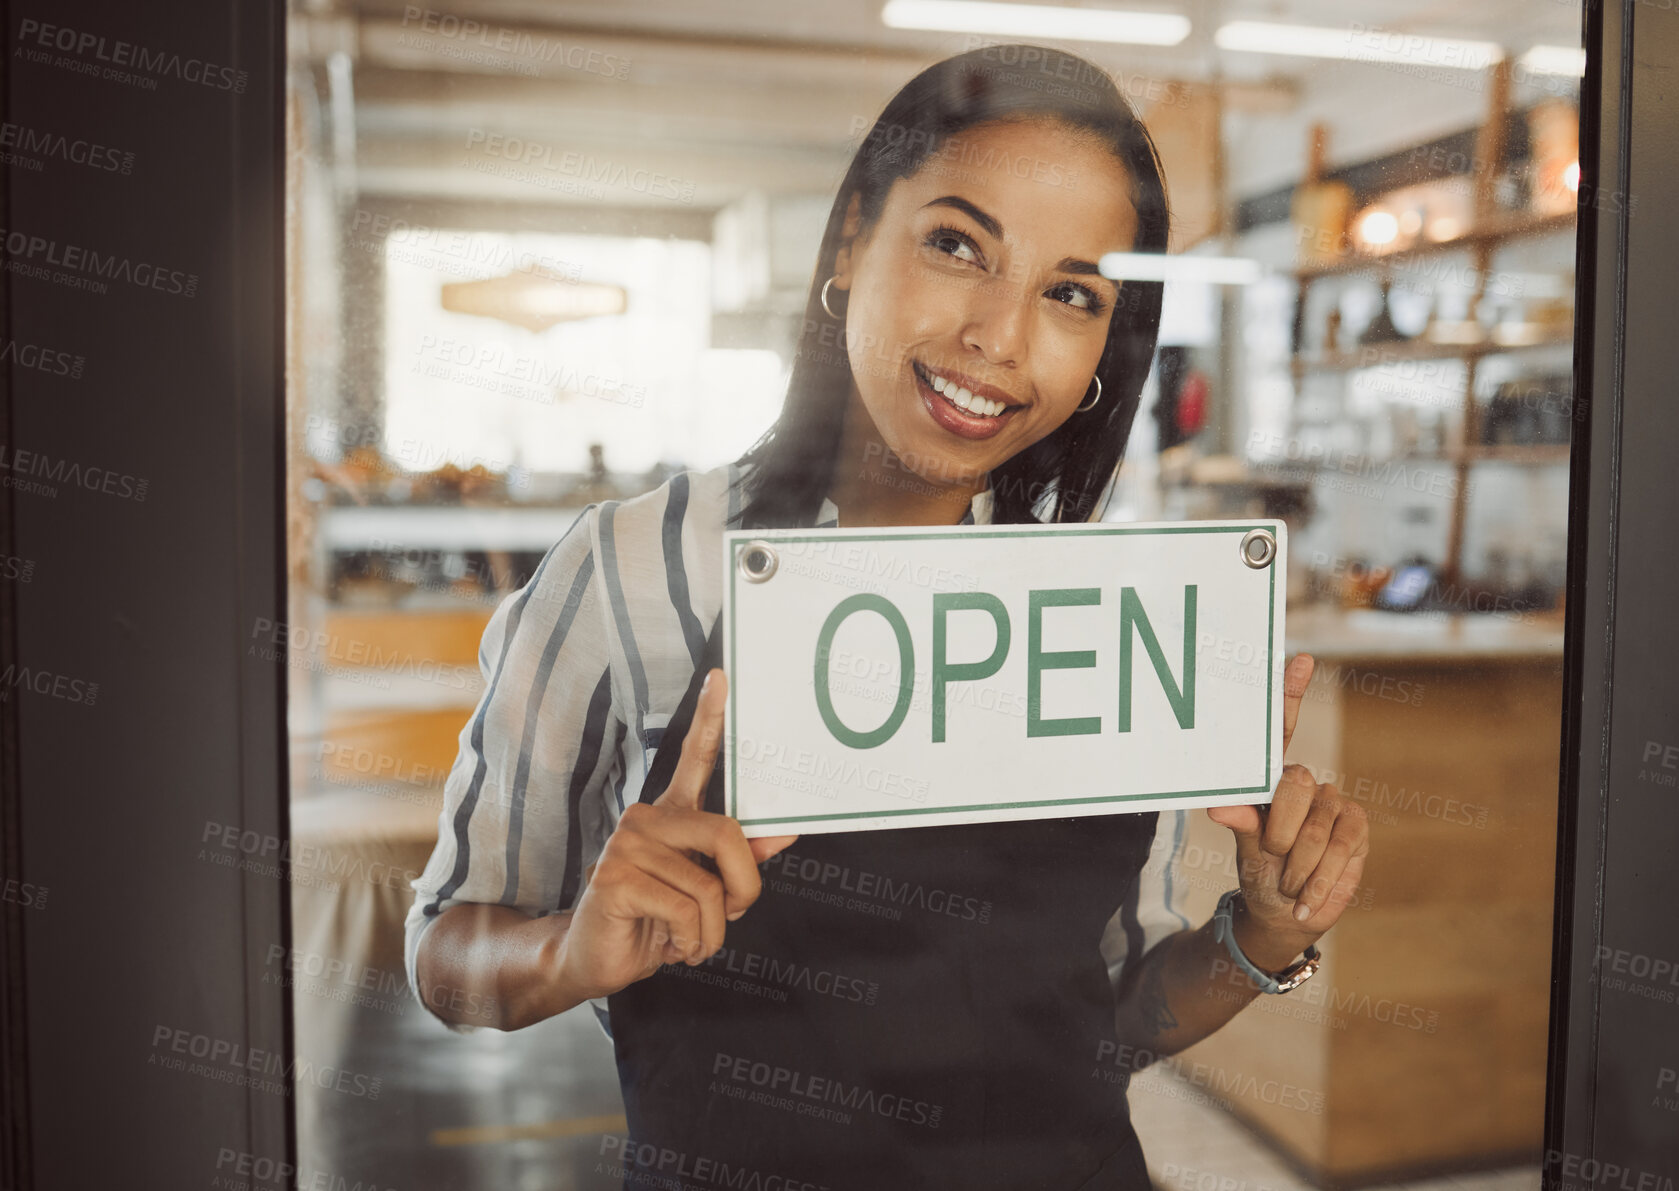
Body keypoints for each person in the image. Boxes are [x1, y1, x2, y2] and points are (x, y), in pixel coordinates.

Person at [405, 43, 1369, 1190]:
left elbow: (1108, 1022)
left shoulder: (1106, 619)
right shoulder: (629, 567)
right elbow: (445, 952)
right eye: (957, 245)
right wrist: (569, 951)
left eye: (1070, 293)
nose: (998, 339)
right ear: (855, 234)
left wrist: (1260, 932)